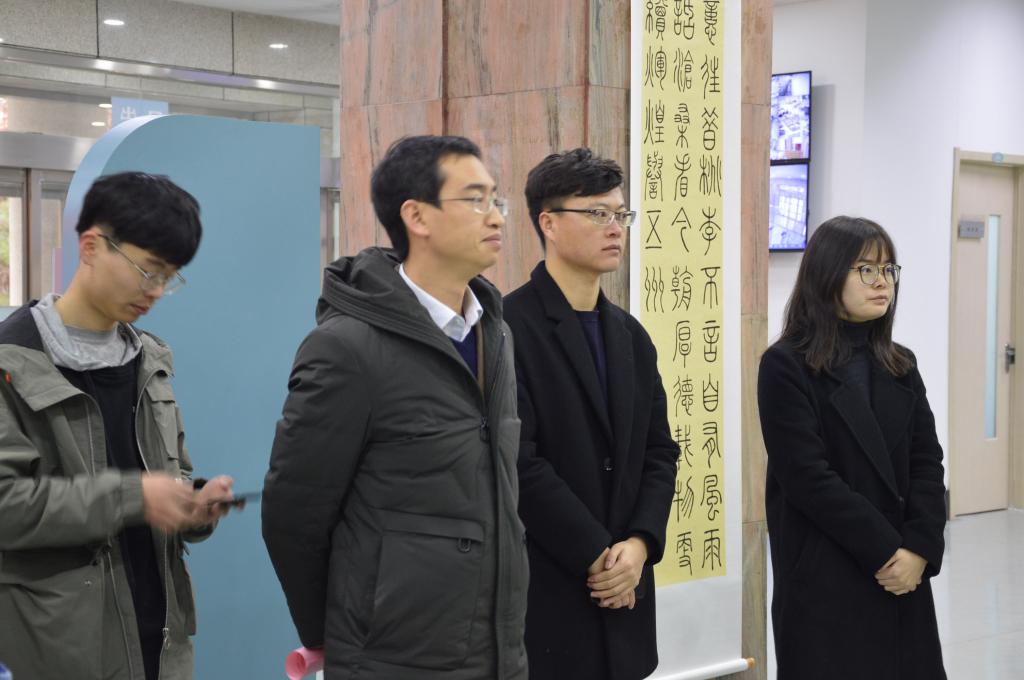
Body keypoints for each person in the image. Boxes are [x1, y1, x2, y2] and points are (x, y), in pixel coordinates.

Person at [262, 135, 529, 679]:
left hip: (497, 651)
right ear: (417, 216)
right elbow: (294, 513)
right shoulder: (348, 346)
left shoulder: (494, 332)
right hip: (392, 657)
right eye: (475, 199)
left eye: (496, 199)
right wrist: (332, 634)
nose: (496, 217)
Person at [0, 171, 235, 680]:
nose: (157, 290)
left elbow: (167, 474)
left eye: (169, 277)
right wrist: (133, 497)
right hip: (61, 652)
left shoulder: (150, 360)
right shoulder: (11, 363)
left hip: (162, 647)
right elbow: (6, 506)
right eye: (148, 270)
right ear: (91, 247)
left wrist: (192, 502)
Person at [503, 148, 678, 680]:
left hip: (627, 592)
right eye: (597, 213)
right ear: (549, 223)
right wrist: (599, 555)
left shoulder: (630, 335)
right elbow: (518, 462)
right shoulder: (507, 327)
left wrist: (640, 544)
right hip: (550, 590)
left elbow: (659, 452)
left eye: (621, 214)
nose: (615, 228)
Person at [758, 216, 947, 680]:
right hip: (831, 573)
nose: (882, 282)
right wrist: (887, 551)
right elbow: (808, 479)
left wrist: (919, 549)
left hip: (904, 575)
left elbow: (927, 461)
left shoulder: (901, 363)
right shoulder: (786, 365)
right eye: (866, 269)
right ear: (827, 274)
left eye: (888, 269)